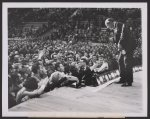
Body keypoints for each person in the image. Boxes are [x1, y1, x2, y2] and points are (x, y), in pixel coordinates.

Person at [105, 18, 136, 87]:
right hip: (123, 47)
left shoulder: (120, 25)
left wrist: (121, 45)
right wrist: (113, 39)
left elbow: (124, 35)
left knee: (127, 63)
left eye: (108, 25)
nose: (108, 27)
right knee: (120, 61)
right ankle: (123, 78)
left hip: (128, 46)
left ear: (111, 22)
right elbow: (118, 37)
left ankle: (128, 81)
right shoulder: (115, 27)